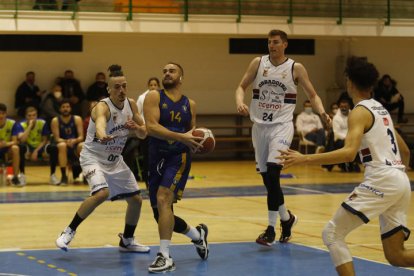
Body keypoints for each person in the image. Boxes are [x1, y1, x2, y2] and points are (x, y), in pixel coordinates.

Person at [278, 56, 413, 276]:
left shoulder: (359, 112)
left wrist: (305, 159)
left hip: (382, 179)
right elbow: (405, 151)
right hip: (400, 180)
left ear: (349, 82)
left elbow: (349, 154)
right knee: (396, 255)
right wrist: (398, 177)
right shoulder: (381, 109)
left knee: (332, 233)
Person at [235, 29, 330, 246]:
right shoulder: (258, 63)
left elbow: (312, 95)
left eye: (276, 42)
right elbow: (241, 87)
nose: (271, 45)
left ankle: (270, 228)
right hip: (259, 127)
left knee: (274, 171)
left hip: (282, 126)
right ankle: (287, 219)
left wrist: (322, 113)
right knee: (268, 180)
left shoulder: (295, 68)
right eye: (269, 42)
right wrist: (239, 102)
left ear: (285, 44)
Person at [55, 64, 149, 254]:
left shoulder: (131, 105)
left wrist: (137, 129)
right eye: (117, 87)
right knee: (101, 193)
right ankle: (69, 231)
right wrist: (102, 133)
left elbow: (144, 134)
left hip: (115, 161)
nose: (121, 90)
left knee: (136, 200)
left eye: (124, 86)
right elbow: (99, 124)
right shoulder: (102, 106)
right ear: (108, 89)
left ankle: (127, 240)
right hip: (93, 158)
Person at [144, 63, 208, 273]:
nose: (167, 73)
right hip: (155, 157)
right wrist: (182, 136)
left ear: (181, 77)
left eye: (172, 71)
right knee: (160, 213)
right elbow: (151, 127)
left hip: (178, 157)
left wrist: (199, 142)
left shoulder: (190, 104)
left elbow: (193, 133)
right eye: (164, 71)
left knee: (164, 199)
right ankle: (197, 236)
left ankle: (165, 256)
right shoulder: (154, 97)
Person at [17, 106, 60, 185]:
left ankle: (52, 175)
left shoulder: (42, 123)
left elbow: (44, 140)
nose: (32, 118)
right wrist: (29, 126)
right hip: (28, 148)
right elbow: (22, 139)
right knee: (20, 148)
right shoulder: (21, 124)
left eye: (34, 115)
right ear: (26, 116)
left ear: (36, 116)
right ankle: (22, 175)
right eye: (29, 116)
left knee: (53, 147)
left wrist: (36, 151)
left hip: (40, 147)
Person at [50, 100, 84, 184]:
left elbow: (81, 137)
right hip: (63, 145)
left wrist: (74, 140)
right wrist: (66, 141)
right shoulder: (55, 120)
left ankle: (86, 174)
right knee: (62, 145)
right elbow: (57, 138)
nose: (65, 109)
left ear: (71, 108)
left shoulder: (77, 119)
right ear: (60, 109)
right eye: (63, 107)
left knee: (82, 145)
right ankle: (63, 176)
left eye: (67, 107)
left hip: (75, 144)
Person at [0, 103, 23, 186]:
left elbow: (15, 141)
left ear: (6, 114)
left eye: (3, 113)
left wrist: (5, 144)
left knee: (15, 148)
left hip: (7, 148)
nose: (1, 116)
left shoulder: (12, 123)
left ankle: (15, 177)